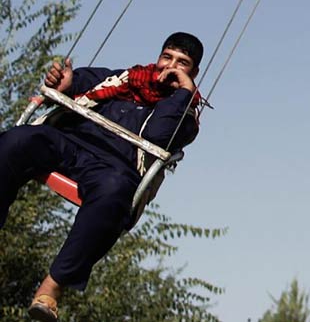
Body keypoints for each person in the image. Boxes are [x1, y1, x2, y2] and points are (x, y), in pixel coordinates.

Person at [0, 32, 204, 322]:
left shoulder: (185, 116)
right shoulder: (124, 79)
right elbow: (81, 81)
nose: (170, 66)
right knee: (16, 141)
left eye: (182, 63)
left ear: (193, 73)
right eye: (167, 57)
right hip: (69, 144)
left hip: (112, 168)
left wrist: (183, 93)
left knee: (113, 193)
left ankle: (51, 287)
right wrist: (66, 83)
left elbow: (158, 135)